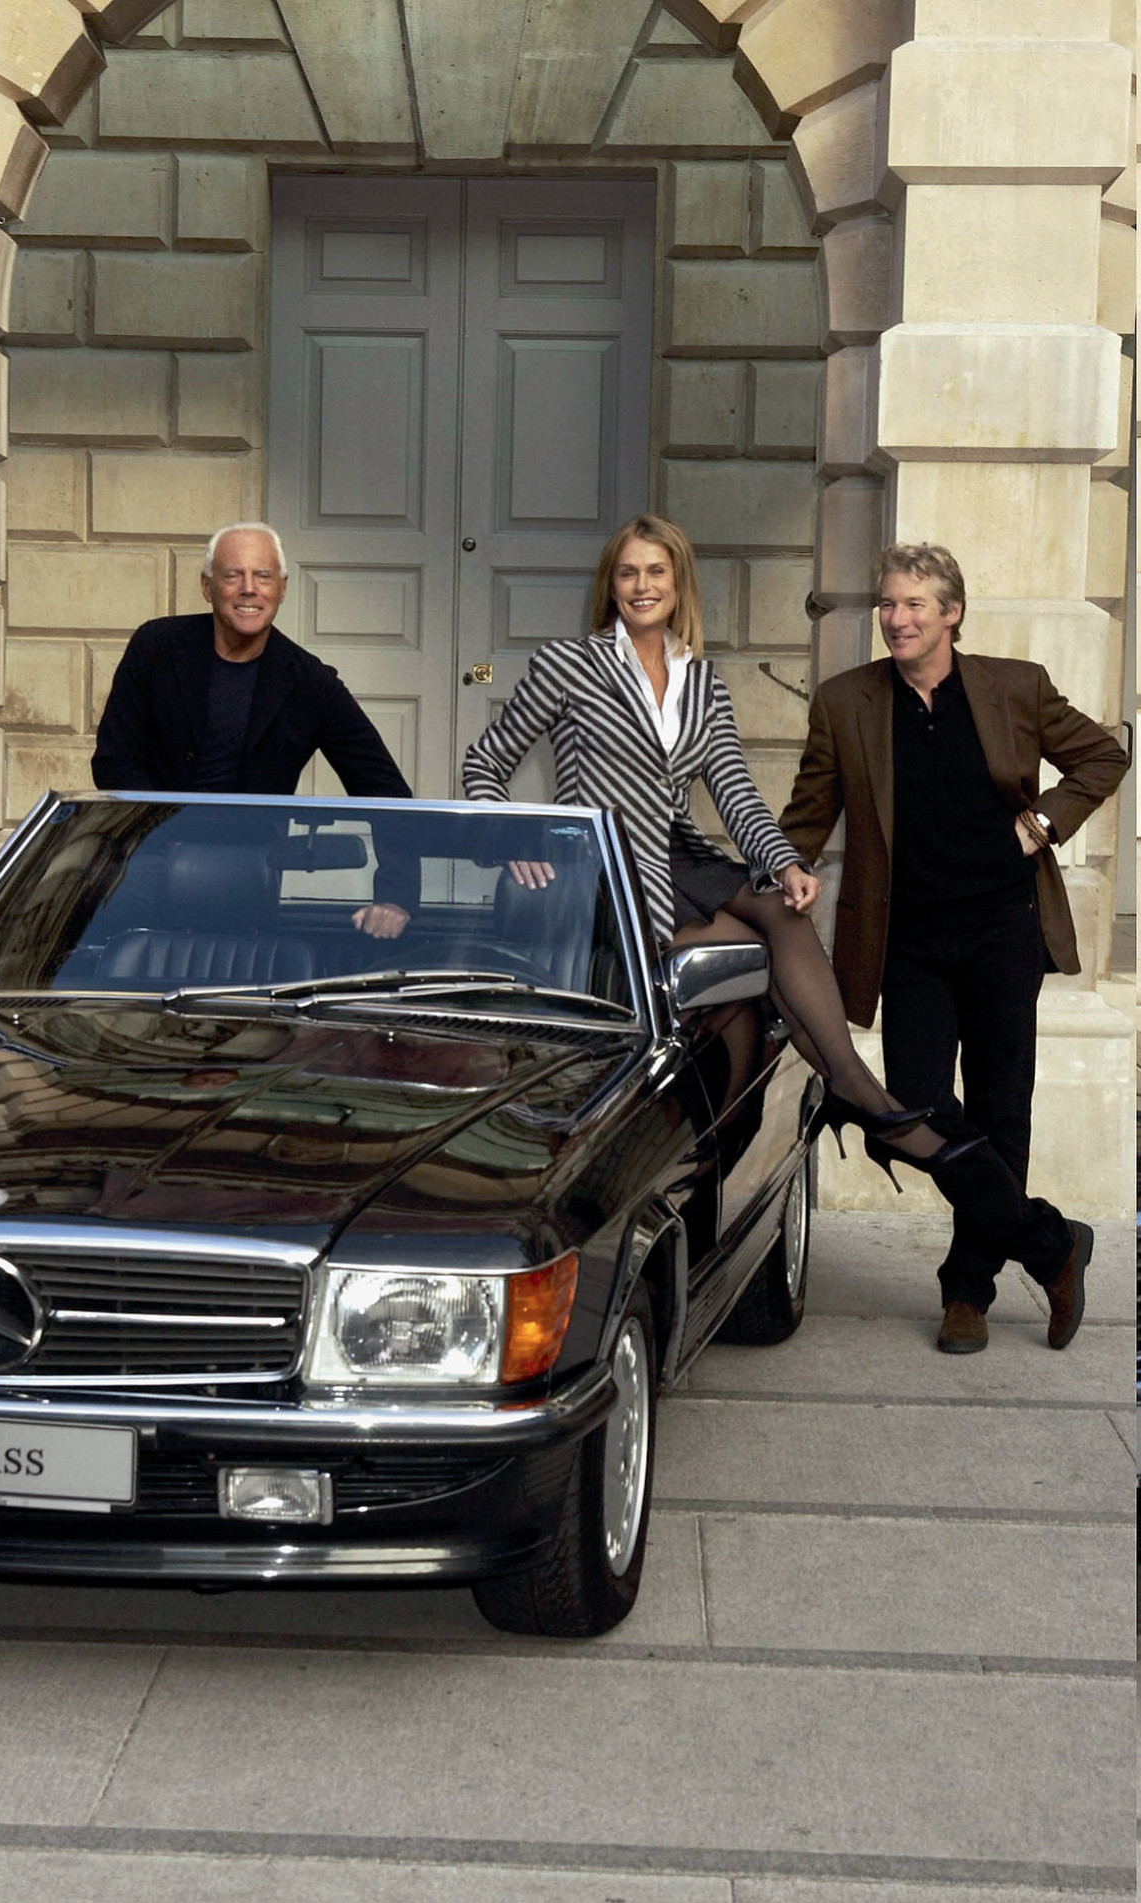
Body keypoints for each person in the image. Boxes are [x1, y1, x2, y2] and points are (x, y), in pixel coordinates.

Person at [461, 514, 960, 1173]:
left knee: (782, 908)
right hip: (603, 865)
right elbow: (484, 763)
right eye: (629, 573)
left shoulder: (702, 681)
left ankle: (848, 1086)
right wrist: (514, 837)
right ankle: (857, 1097)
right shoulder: (568, 664)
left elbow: (736, 793)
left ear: (679, 584)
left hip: (679, 855)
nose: (643, 585)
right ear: (611, 585)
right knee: (758, 959)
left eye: (656, 571)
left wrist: (784, 861)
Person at [779, 542, 1128, 1353]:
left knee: (1003, 1109)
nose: (896, 618)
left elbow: (1103, 754)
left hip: (1004, 928)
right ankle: (1050, 1242)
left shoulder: (1015, 687)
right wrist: (784, 866)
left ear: (951, 613)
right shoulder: (846, 701)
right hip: (906, 940)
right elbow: (807, 814)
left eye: (913, 604)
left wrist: (1043, 824)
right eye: (887, 603)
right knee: (913, 1107)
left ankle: (967, 1291)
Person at [92, 521, 413, 938]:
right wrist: (165, 834)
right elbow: (114, 760)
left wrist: (396, 896)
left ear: (282, 588)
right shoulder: (157, 646)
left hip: (243, 881)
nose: (249, 589)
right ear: (207, 586)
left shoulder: (309, 681)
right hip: (142, 866)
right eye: (233, 575)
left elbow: (384, 789)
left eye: (263, 576)